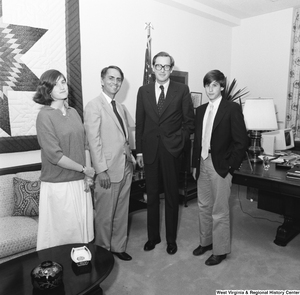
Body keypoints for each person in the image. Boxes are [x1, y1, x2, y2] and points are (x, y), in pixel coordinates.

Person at [135, 51, 194, 255]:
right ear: (153, 67)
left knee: (171, 196)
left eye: (166, 66)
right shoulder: (143, 91)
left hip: (172, 151)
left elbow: (189, 123)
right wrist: (140, 153)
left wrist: (179, 142)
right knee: (151, 196)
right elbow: (140, 123)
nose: (162, 70)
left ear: (171, 68)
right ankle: (153, 238)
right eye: (158, 66)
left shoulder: (182, 90)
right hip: (150, 152)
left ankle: (171, 240)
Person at [33, 69, 95, 251]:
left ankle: (81, 275)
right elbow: (55, 156)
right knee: (64, 239)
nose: (62, 86)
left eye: (63, 81)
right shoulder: (44, 116)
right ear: (48, 90)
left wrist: (88, 174)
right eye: (56, 83)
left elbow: (85, 144)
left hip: (80, 183)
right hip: (59, 185)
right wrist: (84, 169)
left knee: (82, 238)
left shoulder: (74, 112)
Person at [191, 69, 248, 266]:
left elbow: (242, 141)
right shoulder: (200, 110)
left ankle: (220, 250)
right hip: (202, 163)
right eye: (207, 85)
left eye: (214, 85)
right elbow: (197, 140)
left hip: (221, 166)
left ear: (222, 86)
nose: (210, 89)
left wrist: (230, 166)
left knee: (220, 210)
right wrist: (194, 165)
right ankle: (206, 242)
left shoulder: (231, 108)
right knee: (203, 206)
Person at [84, 66, 134, 261]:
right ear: (102, 80)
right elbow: (93, 140)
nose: (115, 82)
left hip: (125, 167)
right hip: (107, 171)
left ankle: (118, 246)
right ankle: (103, 252)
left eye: (119, 79)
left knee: (122, 211)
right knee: (105, 216)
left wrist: (131, 156)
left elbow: (124, 136)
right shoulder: (93, 106)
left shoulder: (120, 107)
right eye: (111, 78)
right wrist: (101, 170)